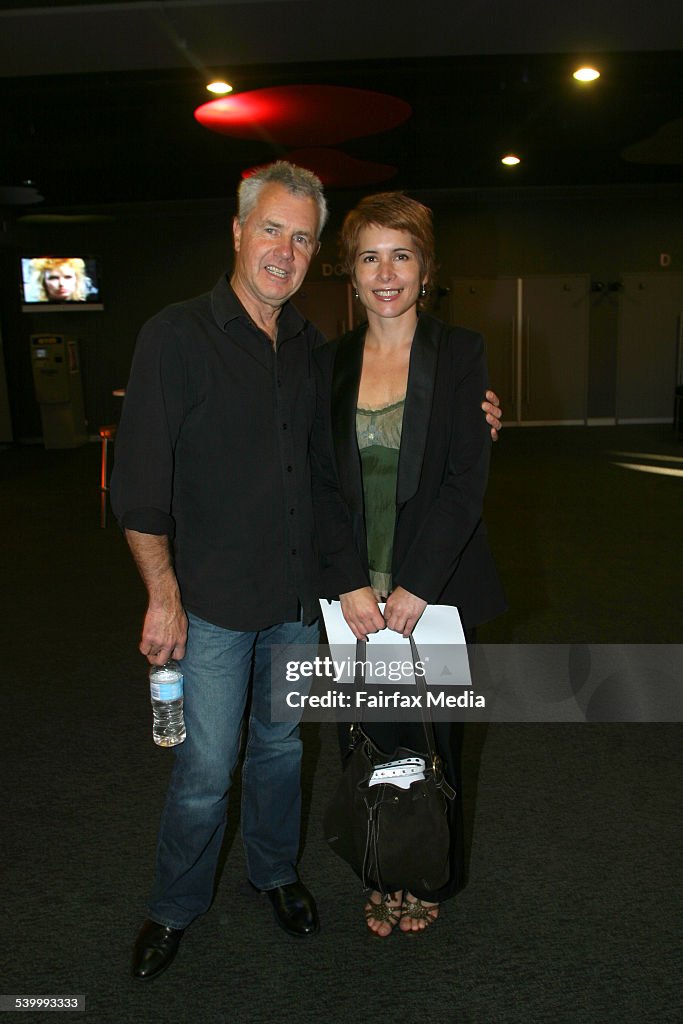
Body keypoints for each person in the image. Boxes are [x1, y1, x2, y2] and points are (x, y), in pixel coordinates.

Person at [111, 162, 503, 981]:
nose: (284, 251)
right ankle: (174, 907)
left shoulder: (311, 351)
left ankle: (276, 874)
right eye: (271, 230)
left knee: (284, 752)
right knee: (205, 770)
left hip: (301, 600)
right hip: (213, 602)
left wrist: (481, 422)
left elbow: (342, 470)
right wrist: (162, 595)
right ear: (238, 231)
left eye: (300, 237)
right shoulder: (175, 337)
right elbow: (140, 484)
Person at [311, 191, 506, 936]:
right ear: (350, 273)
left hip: (437, 589)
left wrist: (417, 586)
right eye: (368, 257)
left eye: (402, 255)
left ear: (426, 269)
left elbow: (464, 480)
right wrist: (350, 584)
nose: (385, 272)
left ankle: (428, 876)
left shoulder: (459, 355)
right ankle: (380, 868)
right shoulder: (324, 364)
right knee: (364, 739)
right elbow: (317, 483)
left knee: (432, 739)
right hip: (351, 596)